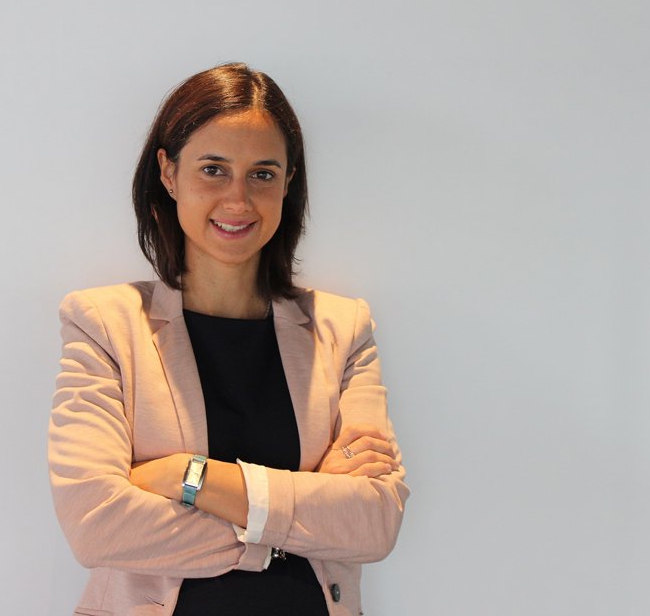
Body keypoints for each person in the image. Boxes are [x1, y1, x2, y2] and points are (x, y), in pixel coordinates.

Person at [48, 62, 409, 616]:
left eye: (262, 174)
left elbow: (375, 522)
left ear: (287, 183)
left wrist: (185, 477)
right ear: (168, 173)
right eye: (213, 169)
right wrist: (297, 526)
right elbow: (97, 526)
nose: (238, 200)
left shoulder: (343, 329)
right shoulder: (104, 325)